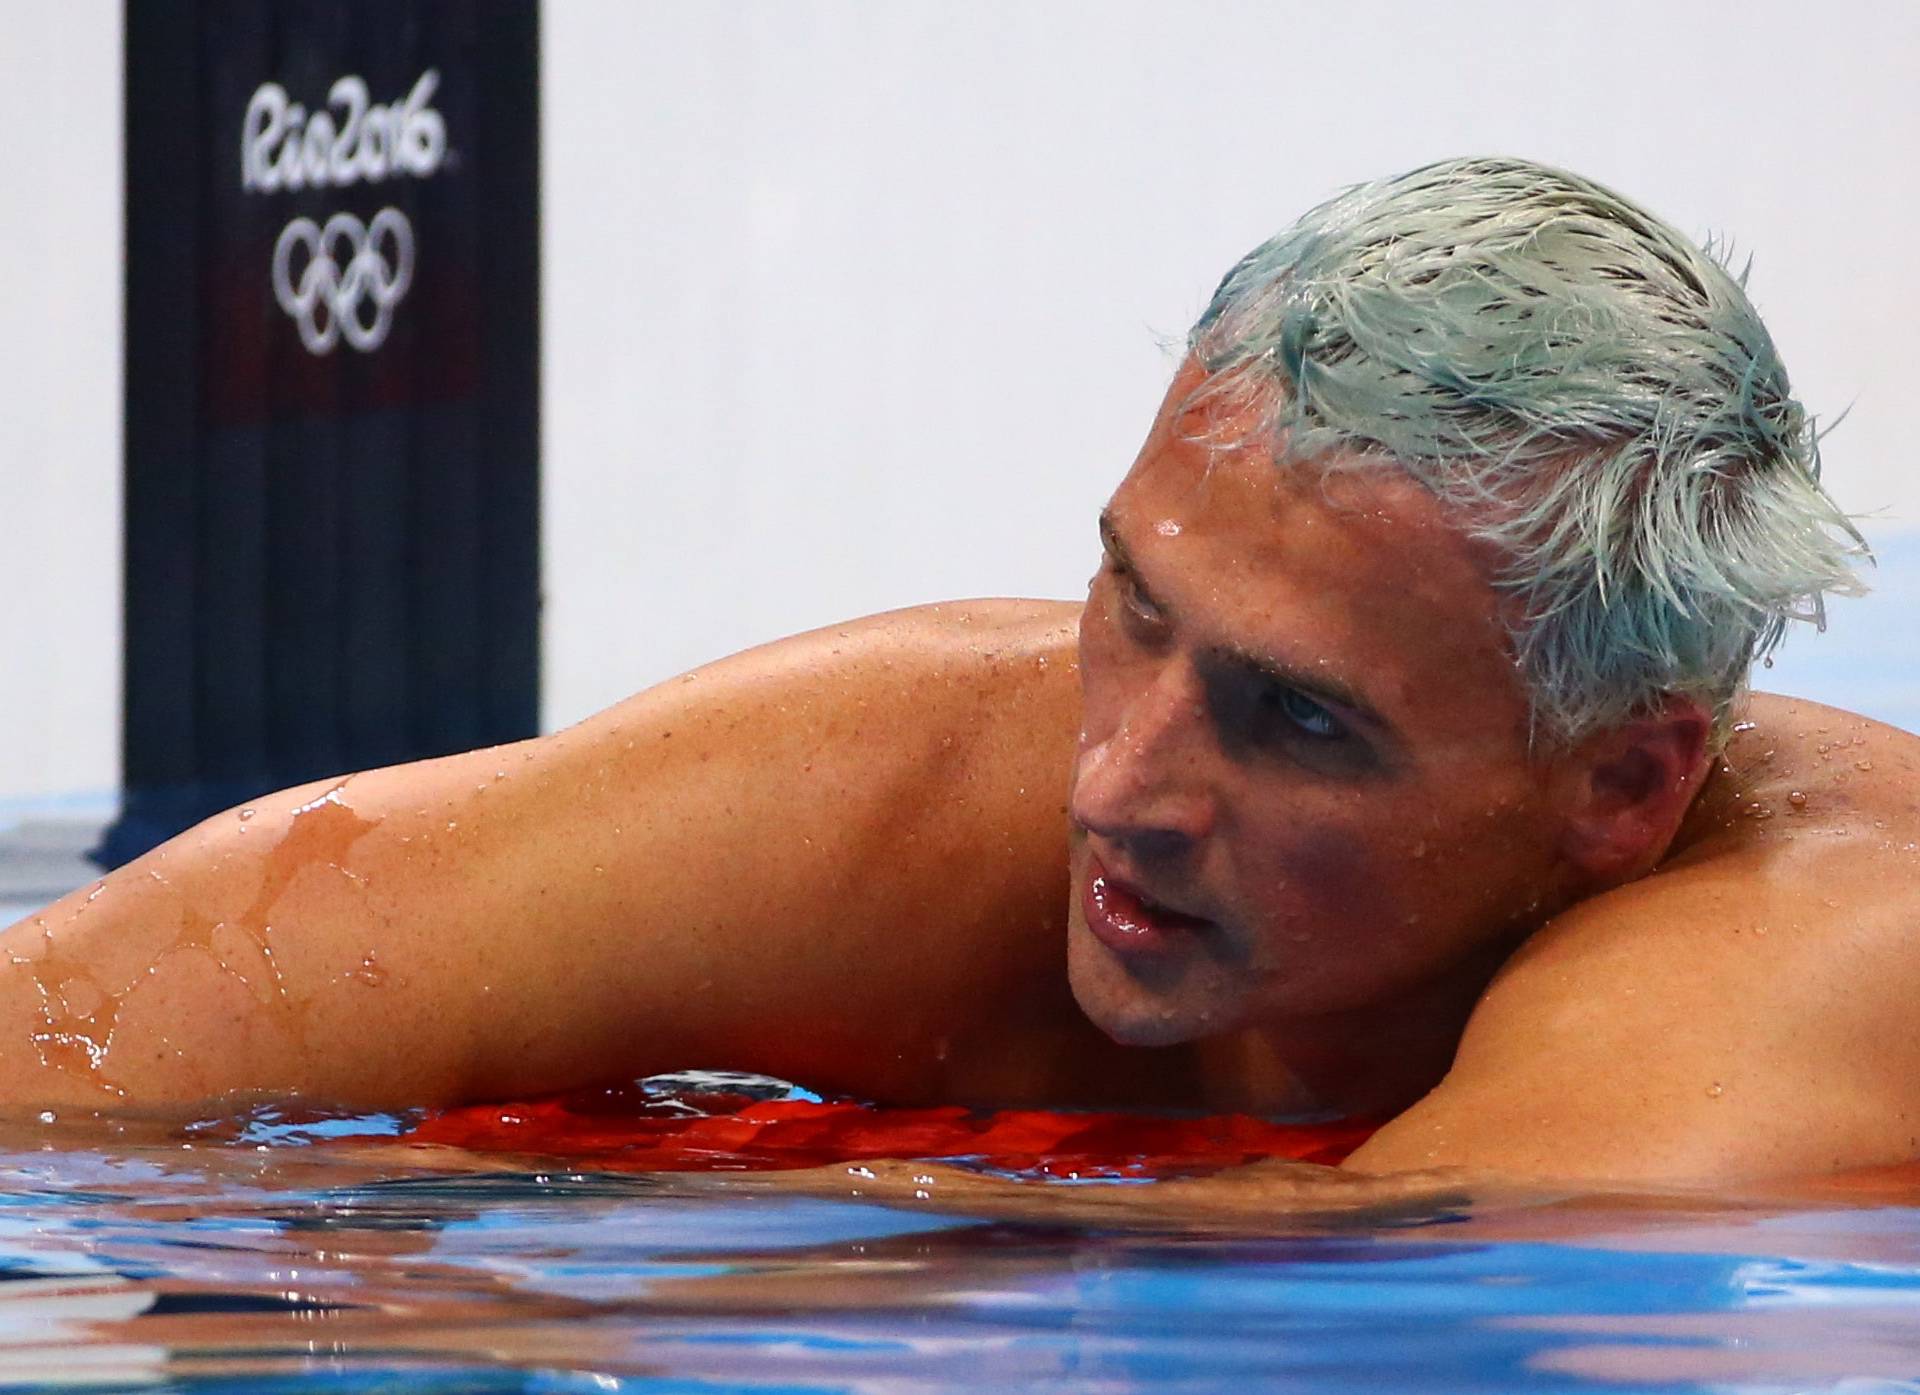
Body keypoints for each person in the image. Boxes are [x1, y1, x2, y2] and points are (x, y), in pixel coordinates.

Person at [5, 157, 1916, 1193]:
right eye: (1134, 604)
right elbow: (69, 1035)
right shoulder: (902, 789)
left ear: (1622, 787)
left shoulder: (1808, 965)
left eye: (1298, 718)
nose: (1117, 786)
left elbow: (1384, 1298)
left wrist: (660, 1212)